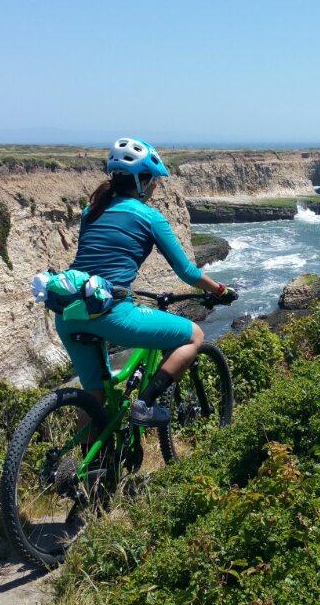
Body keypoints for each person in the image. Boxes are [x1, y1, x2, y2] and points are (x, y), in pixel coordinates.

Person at [57, 137, 237, 427]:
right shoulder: (149, 216)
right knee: (194, 336)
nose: (155, 185)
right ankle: (144, 404)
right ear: (141, 181)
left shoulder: (92, 210)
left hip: (69, 311)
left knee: (93, 395)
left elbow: (95, 261)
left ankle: (89, 469)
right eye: (152, 179)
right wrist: (220, 289)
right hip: (112, 313)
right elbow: (188, 273)